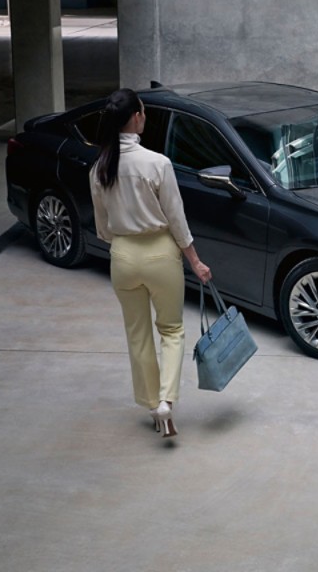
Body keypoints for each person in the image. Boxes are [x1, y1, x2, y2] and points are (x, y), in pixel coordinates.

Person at [90, 88, 211, 439]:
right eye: (143, 112)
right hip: (160, 253)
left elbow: (102, 227)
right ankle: (166, 402)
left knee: (137, 334)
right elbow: (177, 220)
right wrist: (196, 262)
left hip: (123, 256)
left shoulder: (99, 168)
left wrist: (125, 245)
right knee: (171, 330)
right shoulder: (158, 163)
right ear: (137, 118)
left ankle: (148, 402)